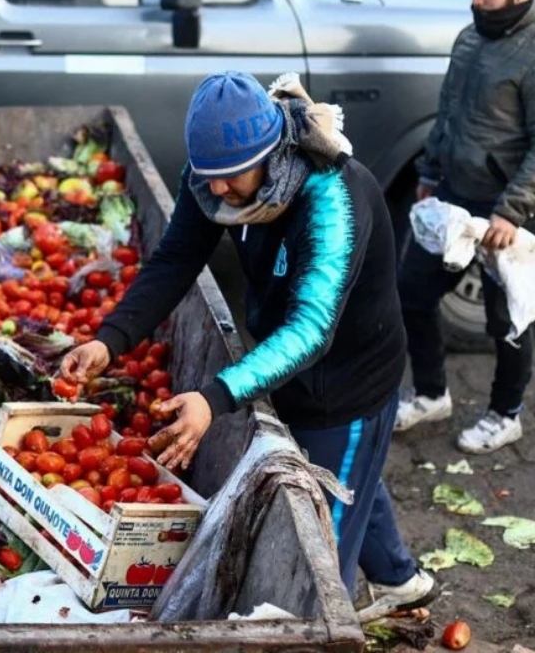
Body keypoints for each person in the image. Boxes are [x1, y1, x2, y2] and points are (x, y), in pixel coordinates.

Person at [60, 71, 437, 619]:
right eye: (207, 177)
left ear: (269, 153)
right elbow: (176, 259)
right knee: (350, 476)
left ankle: (324, 623)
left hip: (345, 382)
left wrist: (213, 399)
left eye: (229, 178)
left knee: (316, 558)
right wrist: (110, 340)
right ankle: (401, 580)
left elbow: (311, 329)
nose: (215, 191)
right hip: (284, 362)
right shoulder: (215, 173)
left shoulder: (332, 200)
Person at [394, 0, 535, 453]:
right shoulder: (468, 40)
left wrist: (512, 212)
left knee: (508, 320)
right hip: (453, 197)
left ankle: (506, 413)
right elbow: (448, 114)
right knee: (412, 293)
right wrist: (429, 174)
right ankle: (432, 392)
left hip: (509, 213)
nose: (476, 1)